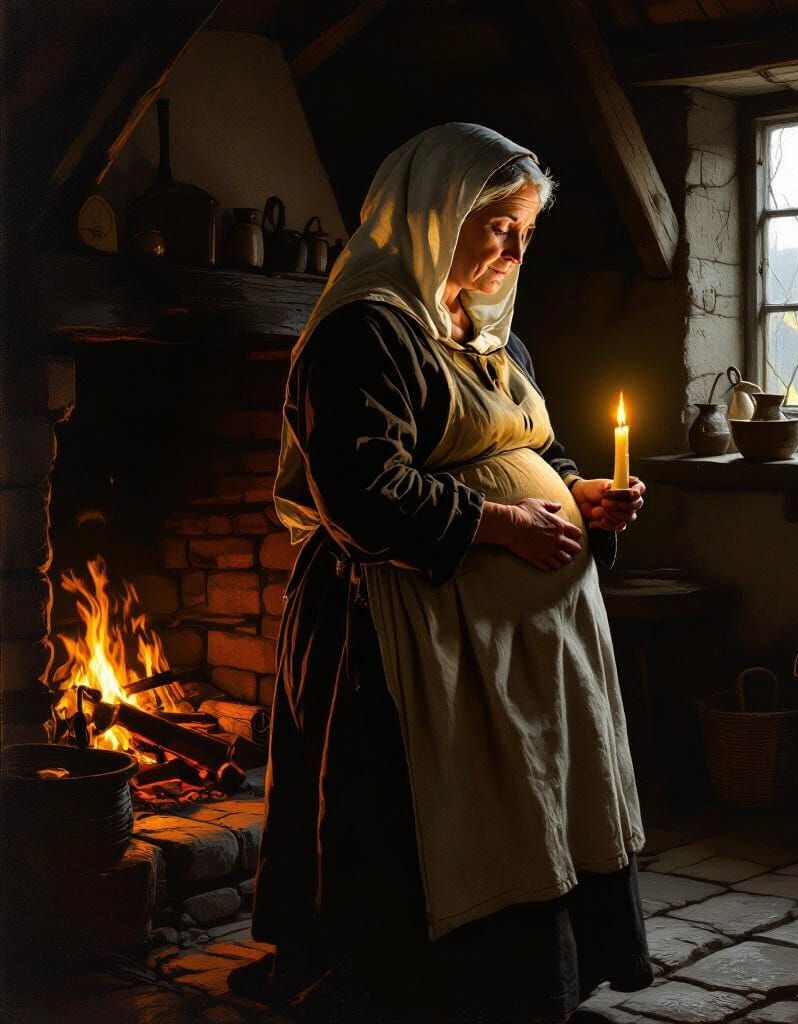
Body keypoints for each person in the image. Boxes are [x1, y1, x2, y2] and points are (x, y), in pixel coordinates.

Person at [233, 123, 652, 1023]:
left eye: (526, 231)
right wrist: (502, 522)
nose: (515, 247)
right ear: (435, 212)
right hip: (389, 636)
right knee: (422, 829)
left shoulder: (490, 332)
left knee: (527, 810)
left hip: (509, 650)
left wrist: (581, 497)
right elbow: (361, 491)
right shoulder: (364, 332)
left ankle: (527, 985)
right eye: (498, 222)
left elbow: (538, 446)